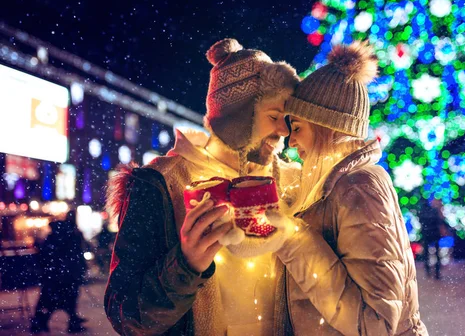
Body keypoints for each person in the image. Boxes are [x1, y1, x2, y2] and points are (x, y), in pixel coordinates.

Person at [104, 38, 300, 335]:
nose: (283, 131)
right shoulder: (160, 184)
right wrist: (185, 266)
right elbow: (127, 316)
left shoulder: (292, 183)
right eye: (273, 116)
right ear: (235, 115)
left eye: (286, 119)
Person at [262, 42, 428, 335]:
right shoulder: (333, 186)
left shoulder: (358, 188)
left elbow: (374, 324)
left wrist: (294, 241)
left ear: (327, 127)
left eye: (298, 127)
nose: (291, 141)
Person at [31, 210, 88, 333]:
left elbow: (44, 255)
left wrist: (45, 270)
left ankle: (40, 322)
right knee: (67, 300)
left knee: (50, 301)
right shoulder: (73, 236)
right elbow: (77, 256)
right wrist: (80, 269)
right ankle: (72, 323)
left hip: (55, 275)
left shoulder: (54, 236)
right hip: (67, 275)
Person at [419, 199, 445, 280]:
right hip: (435, 233)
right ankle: (436, 273)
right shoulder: (434, 211)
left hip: (426, 234)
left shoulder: (422, 212)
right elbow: (440, 221)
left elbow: (421, 221)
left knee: (426, 254)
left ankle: (428, 272)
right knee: (437, 254)